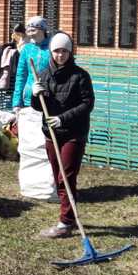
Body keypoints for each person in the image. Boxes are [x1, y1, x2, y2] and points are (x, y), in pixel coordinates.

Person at [31, 32, 94, 238]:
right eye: (57, 51)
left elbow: (87, 104)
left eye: (64, 51)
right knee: (59, 178)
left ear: (70, 52)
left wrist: (62, 119)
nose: (60, 55)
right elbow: (39, 107)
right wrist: (34, 94)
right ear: (51, 51)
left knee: (67, 176)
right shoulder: (43, 74)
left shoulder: (80, 76)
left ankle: (65, 223)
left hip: (73, 133)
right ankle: (69, 216)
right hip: (51, 133)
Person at [11, 16, 57, 200]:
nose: (30, 32)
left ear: (42, 30)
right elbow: (21, 75)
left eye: (34, 29)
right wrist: (17, 101)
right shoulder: (27, 50)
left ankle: (48, 186)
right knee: (30, 146)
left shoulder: (52, 49)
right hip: (29, 101)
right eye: (28, 29)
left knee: (46, 144)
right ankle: (31, 185)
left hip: (48, 99)